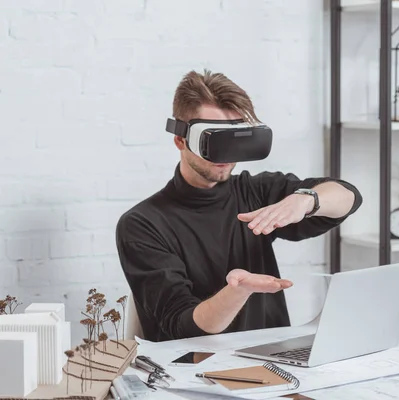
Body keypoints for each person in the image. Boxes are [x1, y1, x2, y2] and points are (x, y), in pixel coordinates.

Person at [115, 70, 362, 342]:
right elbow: (182, 324)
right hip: (191, 370)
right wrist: (237, 291)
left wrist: (306, 200)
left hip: (273, 358)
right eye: (214, 141)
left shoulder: (255, 192)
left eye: (233, 138)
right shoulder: (143, 224)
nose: (226, 156)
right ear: (180, 140)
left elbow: (349, 197)